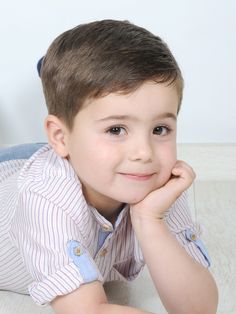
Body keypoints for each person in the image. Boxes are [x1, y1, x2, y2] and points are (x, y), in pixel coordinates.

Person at [0, 19, 218, 314]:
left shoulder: (155, 182)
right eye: (117, 129)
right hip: (15, 177)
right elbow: (86, 309)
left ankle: (69, 96)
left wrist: (149, 219)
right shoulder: (44, 198)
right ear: (59, 137)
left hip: (68, 156)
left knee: (80, 136)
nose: (144, 153)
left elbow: (198, 308)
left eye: (160, 129)